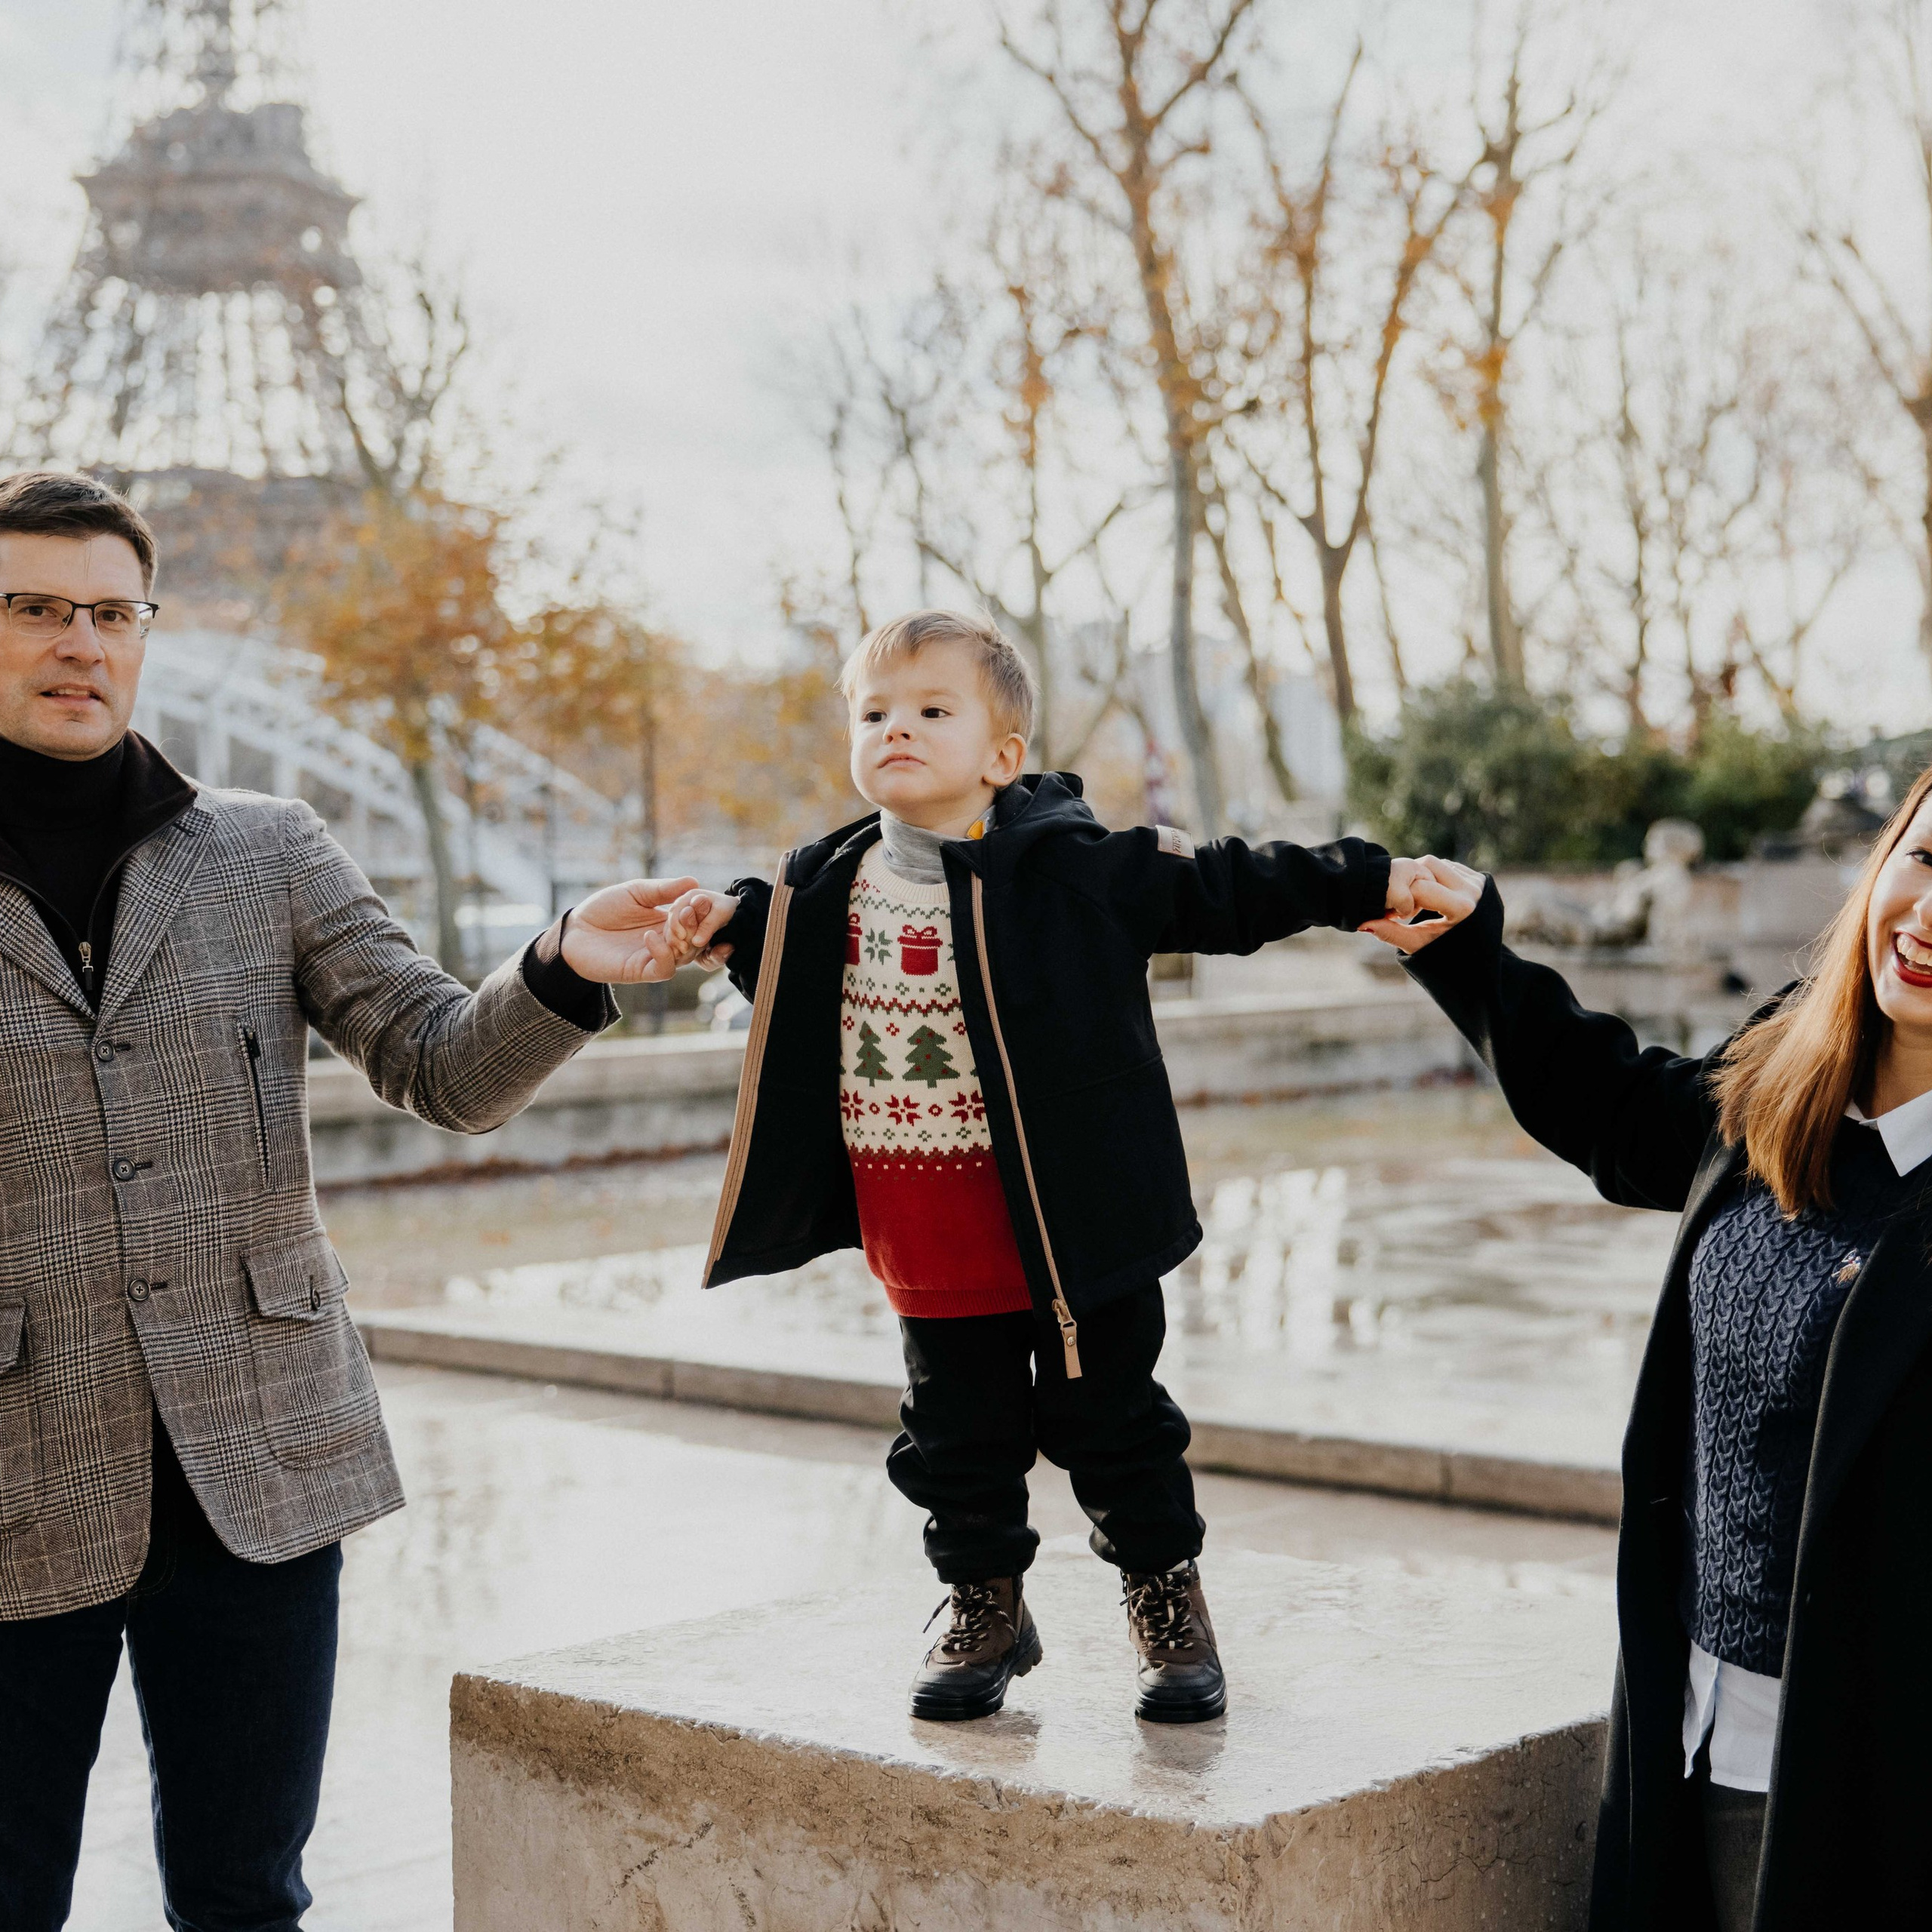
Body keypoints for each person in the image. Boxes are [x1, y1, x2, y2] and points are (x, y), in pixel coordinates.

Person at [0, 470, 721, 1932]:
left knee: (246, 1891)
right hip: (16, 1461)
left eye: (110, 611)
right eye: (32, 608)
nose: (79, 641)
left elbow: (443, 1065)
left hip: (262, 1455)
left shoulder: (267, 850)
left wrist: (566, 963)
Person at [656, 608, 1426, 1724]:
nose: (897, 730)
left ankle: (1166, 1600)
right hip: (925, 1236)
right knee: (954, 1437)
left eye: (931, 710)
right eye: (874, 713)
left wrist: (1367, 881)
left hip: (1073, 1233)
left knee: (1115, 1426)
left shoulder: (1072, 870)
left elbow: (1226, 887)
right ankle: (984, 1606)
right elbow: (803, 1003)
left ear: (1002, 755)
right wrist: (729, 932)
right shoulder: (824, 885)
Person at [1360, 783, 1932, 1931]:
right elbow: (1627, 1118)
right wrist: (1472, 958)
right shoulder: (1791, 1067)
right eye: (1927, 860)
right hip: (1687, 1737)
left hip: (1874, 1798)